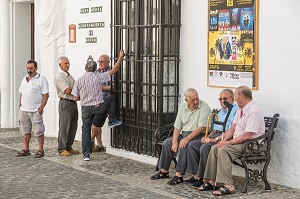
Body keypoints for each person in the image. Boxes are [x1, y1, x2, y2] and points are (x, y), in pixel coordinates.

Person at [199, 85, 265, 196]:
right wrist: (223, 140)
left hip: (250, 145)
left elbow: (247, 135)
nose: (234, 99)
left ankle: (229, 185)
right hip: (240, 141)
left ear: (242, 96)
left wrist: (228, 143)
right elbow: (233, 127)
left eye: (235, 96)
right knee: (216, 147)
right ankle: (211, 181)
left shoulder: (254, 111)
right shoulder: (240, 109)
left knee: (223, 150)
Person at [72, 50, 125, 161]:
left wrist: (85, 97)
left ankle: (86, 155)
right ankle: (112, 120)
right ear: (95, 68)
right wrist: (121, 57)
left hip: (85, 108)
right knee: (110, 98)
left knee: (85, 130)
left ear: (85, 68)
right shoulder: (98, 77)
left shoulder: (79, 80)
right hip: (98, 107)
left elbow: (75, 98)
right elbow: (114, 70)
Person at [150, 88, 211, 185]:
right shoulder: (183, 107)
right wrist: (174, 141)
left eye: (197, 99)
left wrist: (187, 138)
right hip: (184, 134)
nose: (196, 102)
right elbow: (177, 126)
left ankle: (179, 175)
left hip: (199, 135)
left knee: (183, 145)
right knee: (167, 143)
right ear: (186, 100)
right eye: (193, 100)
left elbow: (201, 127)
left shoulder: (204, 107)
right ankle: (164, 171)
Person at [186, 89, 238, 188]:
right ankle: (197, 175)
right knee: (192, 145)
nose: (222, 101)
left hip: (224, 137)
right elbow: (214, 129)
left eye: (225, 99)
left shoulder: (235, 111)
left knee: (205, 148)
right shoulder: (220, 111)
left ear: (232, 98)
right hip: (215, 135)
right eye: (220, 99)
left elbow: (230, 131)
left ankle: (205, 178)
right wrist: (206, 137)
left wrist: (213, 140)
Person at [16, 60, 49, 158]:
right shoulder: (24, 79)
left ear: (36, 68)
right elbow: (21, 93)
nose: (29, 70)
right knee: (25, 130)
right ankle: (26, 148)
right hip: (24, 110)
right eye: (28, 68)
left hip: (35, 110)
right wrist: (20, 106)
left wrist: (41, 108)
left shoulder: (42, 79)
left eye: (31, 68)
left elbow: (46, 95)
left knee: (39, 130)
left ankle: (40, 150)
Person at [54, 56, 79, 156]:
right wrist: (77, 93)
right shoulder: (59, 76)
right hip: (65, 102)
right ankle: (62, 148)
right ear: (60, 65)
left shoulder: (69, 76)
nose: (68, 65)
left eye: (68, 63)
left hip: (73, 103)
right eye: (65, 63)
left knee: (73, 126)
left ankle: (69, 146)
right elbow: (67, 90)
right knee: (64, 126)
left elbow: (75, 88)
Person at [91, 54, 113, 152]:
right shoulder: (96, 72)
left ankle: (90, 140)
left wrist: (99, 88)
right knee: (97, 124)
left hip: (106, 101)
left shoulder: (111, 72)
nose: (99, 63)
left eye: (102, 61)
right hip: (96, 102)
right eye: (98, 61)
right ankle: (99, 144)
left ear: (108, 62)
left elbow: (112, 87)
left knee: (95, 124)